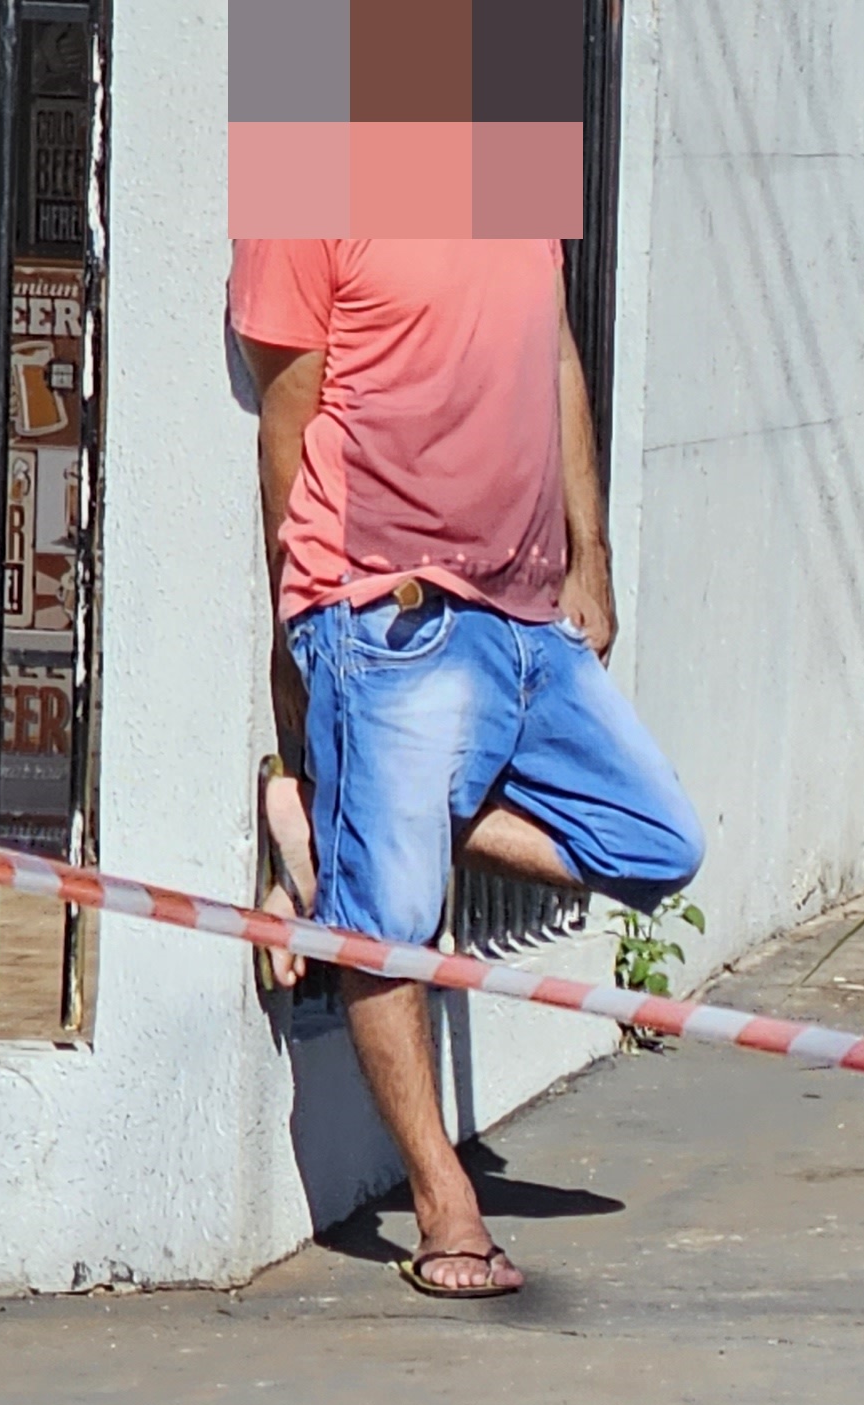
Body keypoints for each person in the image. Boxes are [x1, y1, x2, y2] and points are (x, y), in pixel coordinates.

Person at [230, 240, 703, 1300]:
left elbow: (557, 357)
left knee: (657, 846)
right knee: (388, 923)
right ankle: (447, 1208)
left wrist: (591, 557)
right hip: (386, 616)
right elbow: (287, 419)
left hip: (525, 618)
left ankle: (334, 815)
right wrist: (298, 631)